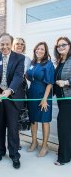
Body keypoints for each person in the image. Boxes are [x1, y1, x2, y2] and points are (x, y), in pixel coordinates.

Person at [0, 33, 25, 169]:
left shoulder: (19, 58)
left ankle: (14, 154)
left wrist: (10, 90)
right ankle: (0, 151)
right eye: (2, 44)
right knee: (0, 126)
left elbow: (18, 76)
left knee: (13, 128)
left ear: (11, 43)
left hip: (12, 96)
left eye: (7, 44)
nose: (4, 47)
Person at [26, 42, 55, 157]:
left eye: (42, 49)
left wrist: (45, 99)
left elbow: (50, 83)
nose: (39, 51)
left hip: (44, 94)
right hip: (32, 92)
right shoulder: (32, 63)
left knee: (44, 120)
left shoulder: (48, 64)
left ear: (45, 51)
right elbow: (28, 76)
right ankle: (34, 142)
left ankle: (45, 145)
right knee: (33, 119)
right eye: (38, 49)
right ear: (35, 50)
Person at [53, 37, 71, 166]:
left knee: (63, 127)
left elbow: (64, 81)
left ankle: (63, 157)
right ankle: (66, 152)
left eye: (63, 45)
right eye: (59, 46)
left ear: (69, 45)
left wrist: (66, 82)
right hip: (61, 100)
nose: (61, 47)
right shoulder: (60, 62)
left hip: (68, 100)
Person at [12, 37, 31, 149]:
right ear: (13, 45)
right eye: (17, 43)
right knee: (11, 115)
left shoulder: (27, 59)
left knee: (19, 114)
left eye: (22, 44)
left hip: (22, 88)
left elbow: (28, 75)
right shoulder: (9, 56)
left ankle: (17, 140)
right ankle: (12, 140)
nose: (19, 45)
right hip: (11, 87)